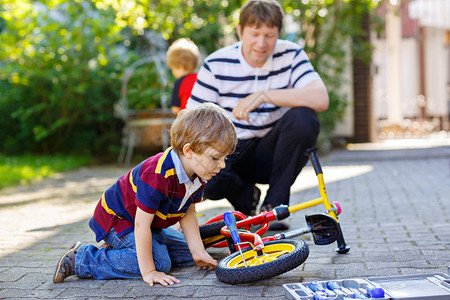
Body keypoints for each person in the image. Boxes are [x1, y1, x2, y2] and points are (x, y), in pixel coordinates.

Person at [53, 103, 237, 286]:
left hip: (148, 224)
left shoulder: (200, 173)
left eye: (225, 158)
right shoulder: (157, 174)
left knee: (188, 255)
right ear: (189, 151)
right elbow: (141, 223)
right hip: (119, 221)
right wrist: (149, 271)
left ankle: (129, 253)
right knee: (160, 263)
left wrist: (198, 252)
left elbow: (188, 212)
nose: (222, 165)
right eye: (215, 158)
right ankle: (81, 259)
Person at [186, 0, 329, 229]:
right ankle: (246, 196)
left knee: (304, 118)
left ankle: (274, 207)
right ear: (240, 31)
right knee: (205, 176)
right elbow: (190, 120)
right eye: (254, 34)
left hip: (272, 152)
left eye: (269, 35)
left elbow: (321, 99)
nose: (262, 43)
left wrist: (264, 95)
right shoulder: (216, 63)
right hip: (230, 152)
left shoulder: (291, 55)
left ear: (279, 34)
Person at [166, 38, 200, 115]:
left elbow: (175, 109)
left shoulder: (179, 82)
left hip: (186, 121)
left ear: (180, 67)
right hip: (202, 120)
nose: (172, 72)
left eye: (173, 69)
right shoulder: (201, 78)